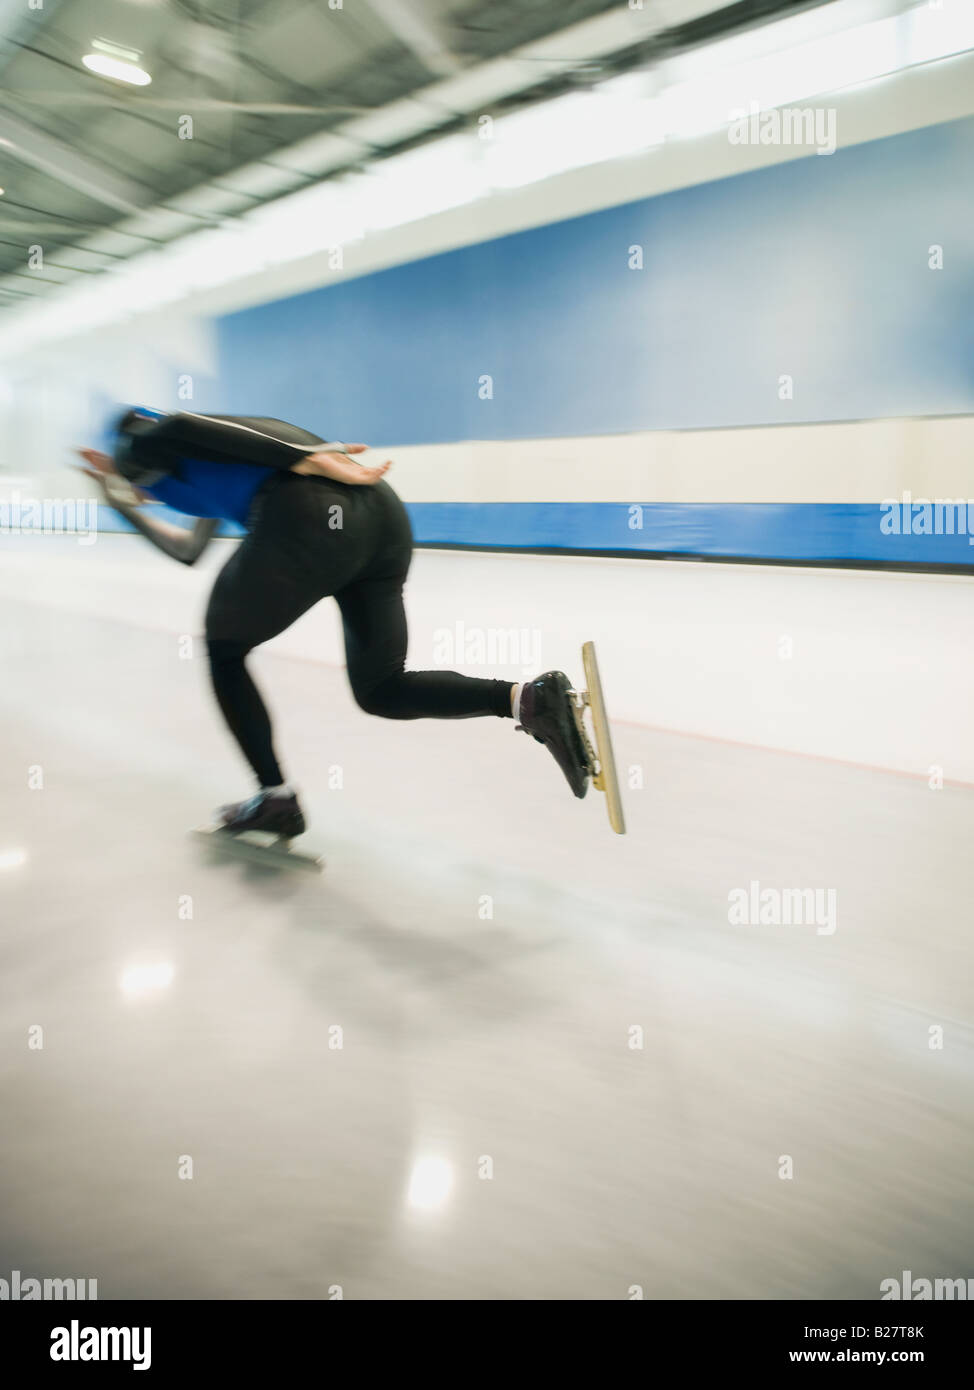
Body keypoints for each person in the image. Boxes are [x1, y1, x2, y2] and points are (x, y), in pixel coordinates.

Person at [78, 407, 592, 839]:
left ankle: (276, 799)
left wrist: (301, 457)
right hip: (381, 523)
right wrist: (114, 499)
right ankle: (529, 699)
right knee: (381, 689)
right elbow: (187, 549)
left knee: (223, 650)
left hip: (311, 514)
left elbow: (176, 425)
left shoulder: (141, 448)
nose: (139, 495)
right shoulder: (210, 468)